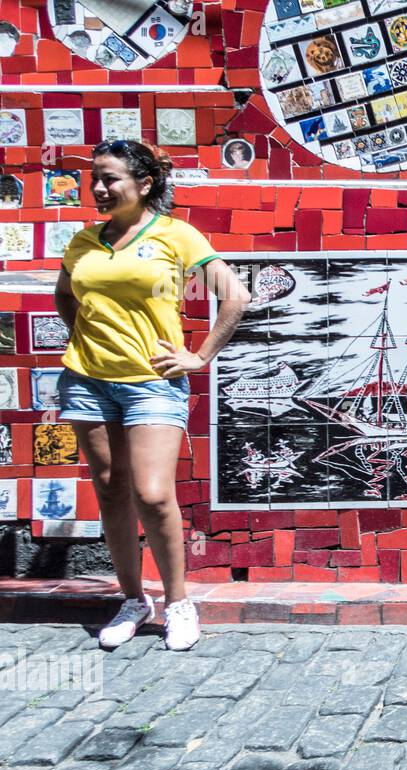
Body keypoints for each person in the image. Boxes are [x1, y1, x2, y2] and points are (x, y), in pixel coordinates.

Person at [55, 140, 250, 651]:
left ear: (144, 185)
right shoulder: (83, 241)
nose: (98, 187)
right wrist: (89, 338)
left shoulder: (175, 235)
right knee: (111, 492)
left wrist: (200, 356)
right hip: (87, 381)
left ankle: (179, 602)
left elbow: (236, 294)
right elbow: (64, 295)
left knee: (153, 493)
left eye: (110, 178)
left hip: (152, 385)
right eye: (94, 178)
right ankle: (132, 599)